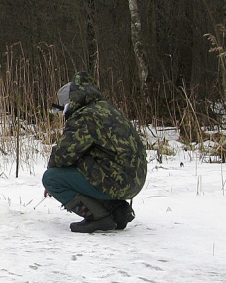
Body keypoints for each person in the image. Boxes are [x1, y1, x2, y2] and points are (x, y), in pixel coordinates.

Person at [42, 72, 147, 233]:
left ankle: (99, 217)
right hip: (135, 180)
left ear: (69, 103)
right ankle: (117, 211)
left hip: (117, 181)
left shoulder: (84, 116)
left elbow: (64, 154)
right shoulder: (108, 109)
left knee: (51, 178)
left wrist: (52, 174)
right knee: (86, 163)